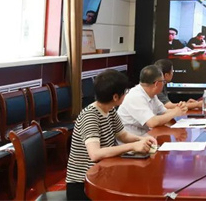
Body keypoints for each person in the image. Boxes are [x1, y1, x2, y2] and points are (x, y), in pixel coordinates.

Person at [66, 69, 156, 200]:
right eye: (124, 92)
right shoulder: (90, 116)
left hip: (102, 174)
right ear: (115, 97)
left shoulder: (110, 110)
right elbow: (95, 154)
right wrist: (133, 146)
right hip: (84, 184)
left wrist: (143, 139)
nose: (126, 95)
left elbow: (123, 136)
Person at [118, 65, 188, 136]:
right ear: (157, 84)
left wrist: (180, 109)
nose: (163, 84)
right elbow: (152, 122)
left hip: (144, 136)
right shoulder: (135, 96)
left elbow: (164, 112)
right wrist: (175, 112)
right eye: (163, 81)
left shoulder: (152, 94)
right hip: (130, 140)